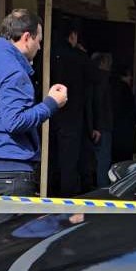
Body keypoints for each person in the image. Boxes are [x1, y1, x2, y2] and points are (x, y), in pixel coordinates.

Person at [0, 8, 67, 226]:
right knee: (12, 241)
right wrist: (51, 104)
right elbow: (15, 121)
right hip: (10, 171)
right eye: (39, 40)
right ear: (27, 37)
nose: (40, 47)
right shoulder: (13, 70)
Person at [49, 18, 91, 195]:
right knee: (69, 160)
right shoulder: (79, 57)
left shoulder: (48, 54)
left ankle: (48, 190)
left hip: (49, 112)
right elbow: (92, 81)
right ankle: (66, 194)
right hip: (72, 115)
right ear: (73, 35)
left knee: (50, 155)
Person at [88, 52, 114, 187]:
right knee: (103, 161)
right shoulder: (103, 79)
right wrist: (97, 126)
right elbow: (99, 103)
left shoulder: (92, 79)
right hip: (103, 126)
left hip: (96, 125)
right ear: (102, 63)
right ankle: (101, 190)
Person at [109, 64, 136, 164]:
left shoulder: (110, 87)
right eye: (129, 75)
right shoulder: (125, 90)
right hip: (125, 133)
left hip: (113, 132)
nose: (131, 78)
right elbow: (132, 111)